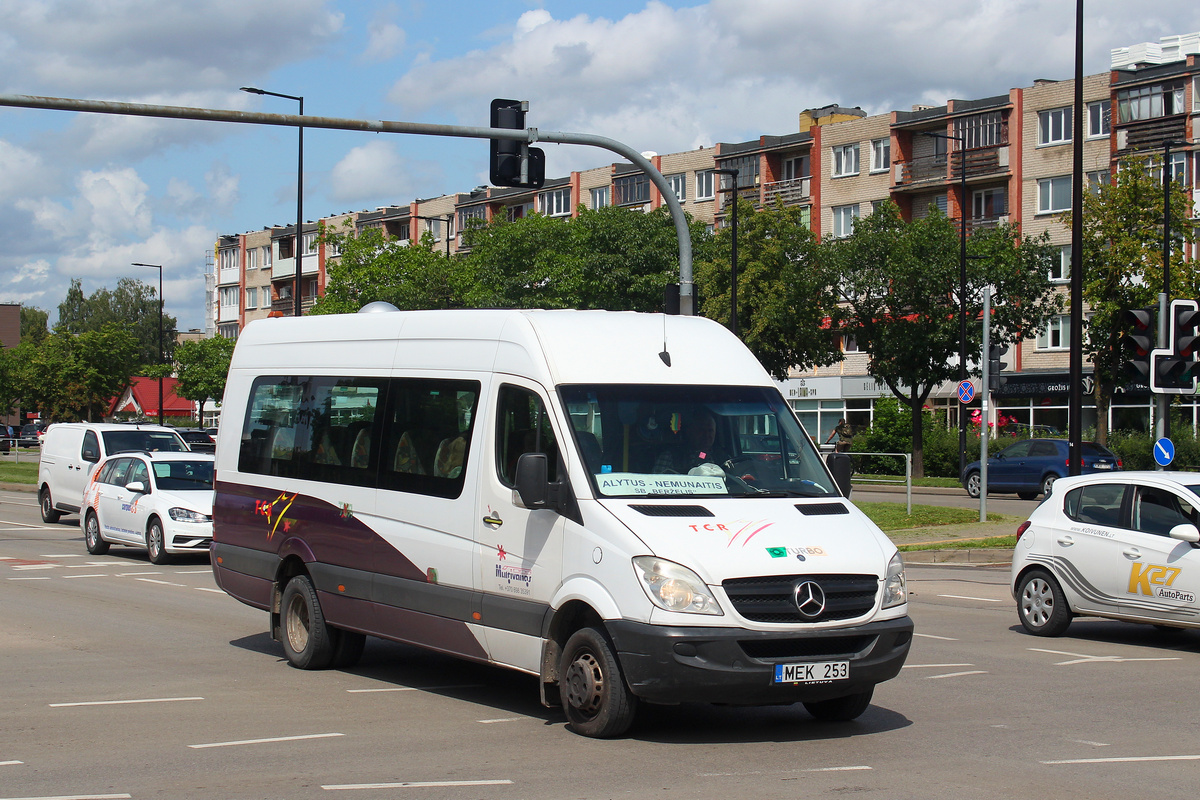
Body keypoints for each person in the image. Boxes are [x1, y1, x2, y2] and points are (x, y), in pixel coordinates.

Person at [654, 410, 729, 474]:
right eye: (701, 430)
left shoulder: (723, 459)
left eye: (710, 431)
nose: (706, 435)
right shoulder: (670, 456)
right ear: (689, 432)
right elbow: (655, 485)